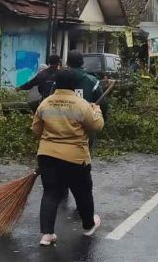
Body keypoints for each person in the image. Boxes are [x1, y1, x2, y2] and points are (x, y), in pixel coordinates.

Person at [31, 69, 104, 246]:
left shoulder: (45, 104)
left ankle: (47, 235)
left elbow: (36, 130)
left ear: (56, 83)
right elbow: (97, 126)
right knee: (82, 191)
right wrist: (97, 110)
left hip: (47, 156)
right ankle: (88, 226)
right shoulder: (81, 104)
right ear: (74, 85)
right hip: (75, 158)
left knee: (50, 193)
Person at [66, 50, 107, 147]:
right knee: (84, 153)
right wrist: (102, 119)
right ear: (82, 62)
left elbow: (49, 99)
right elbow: (103, 104)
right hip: (86, 125)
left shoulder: (60, 80)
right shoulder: (92, 81)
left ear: (67, 63)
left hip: (64, 125)